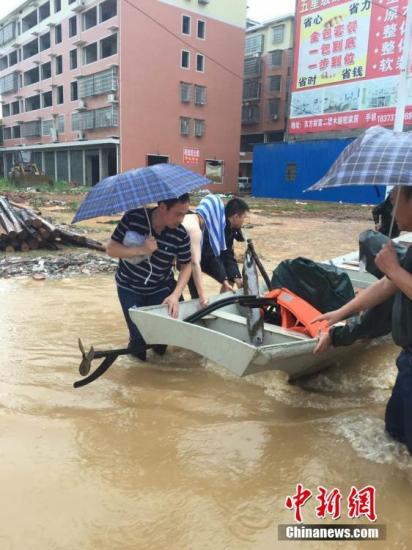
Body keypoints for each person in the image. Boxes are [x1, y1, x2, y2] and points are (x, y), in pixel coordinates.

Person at [313, 185, 412, 455]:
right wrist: (341, 313)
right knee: (395, 433)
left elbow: (395, 281)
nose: (391, 209)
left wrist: (392, 268)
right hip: (407, 361)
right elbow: (386, 287)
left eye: (394, 200)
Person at [106, 194, 192, 361]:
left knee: (160, 342)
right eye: (178, 214)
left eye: (185, 214)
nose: (181, 219)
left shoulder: (181, 234)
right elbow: (111, 249)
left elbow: (187, 265)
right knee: (138, 342)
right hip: (128, 286)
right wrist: (141, 250)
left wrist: (175, 295)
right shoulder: (133, 218)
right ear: (162, 208)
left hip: (160, 288)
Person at [188, 197, 249, 297]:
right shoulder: (217, 226)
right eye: (243, 217)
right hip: (198, 257)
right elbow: (212, 254)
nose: (244, 221)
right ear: (236, 216)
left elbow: (227, 253)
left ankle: (221, 303)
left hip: (208, 256)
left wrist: (236, 276)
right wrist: (224, 278)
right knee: (197, 294)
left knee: (231, 276)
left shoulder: (230, 228)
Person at [182, 194, 227, 308]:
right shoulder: (194, 228)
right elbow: (195, 263)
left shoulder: (190, 218)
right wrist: (202, 296)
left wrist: (224, 279)